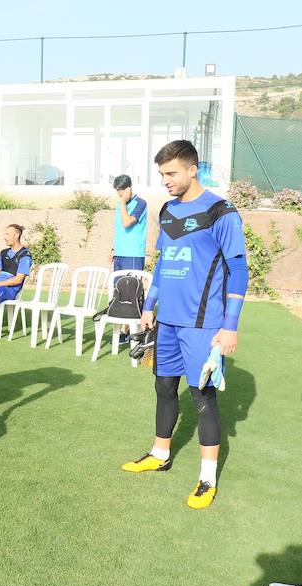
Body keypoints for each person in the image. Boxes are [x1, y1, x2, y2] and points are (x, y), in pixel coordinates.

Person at [120, 140, 248, 510]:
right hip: (169, 322)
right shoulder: (167, 211)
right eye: (162, 175)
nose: (166, 181)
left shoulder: (221, 212)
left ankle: (207, 479)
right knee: (163, 387)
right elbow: (163, 262)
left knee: (202, 397)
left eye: (171, 173)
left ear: (193, 169)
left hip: (204, 324)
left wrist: (230, 325)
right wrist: (149, 306)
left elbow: (238, 269)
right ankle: (160, 454)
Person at [110, 174, 148, 342]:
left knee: (132, 294)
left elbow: (127, 223)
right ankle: (123, 333)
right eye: (117, 191)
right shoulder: (121, 205)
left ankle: (137, 332)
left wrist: (124, 203)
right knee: (118, 292)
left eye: (121, 190)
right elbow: (120, 229)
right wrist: (114, 248)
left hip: (133, 254)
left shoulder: (141, 203)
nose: (119, 194)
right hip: (120, 253)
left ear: (128, 188)